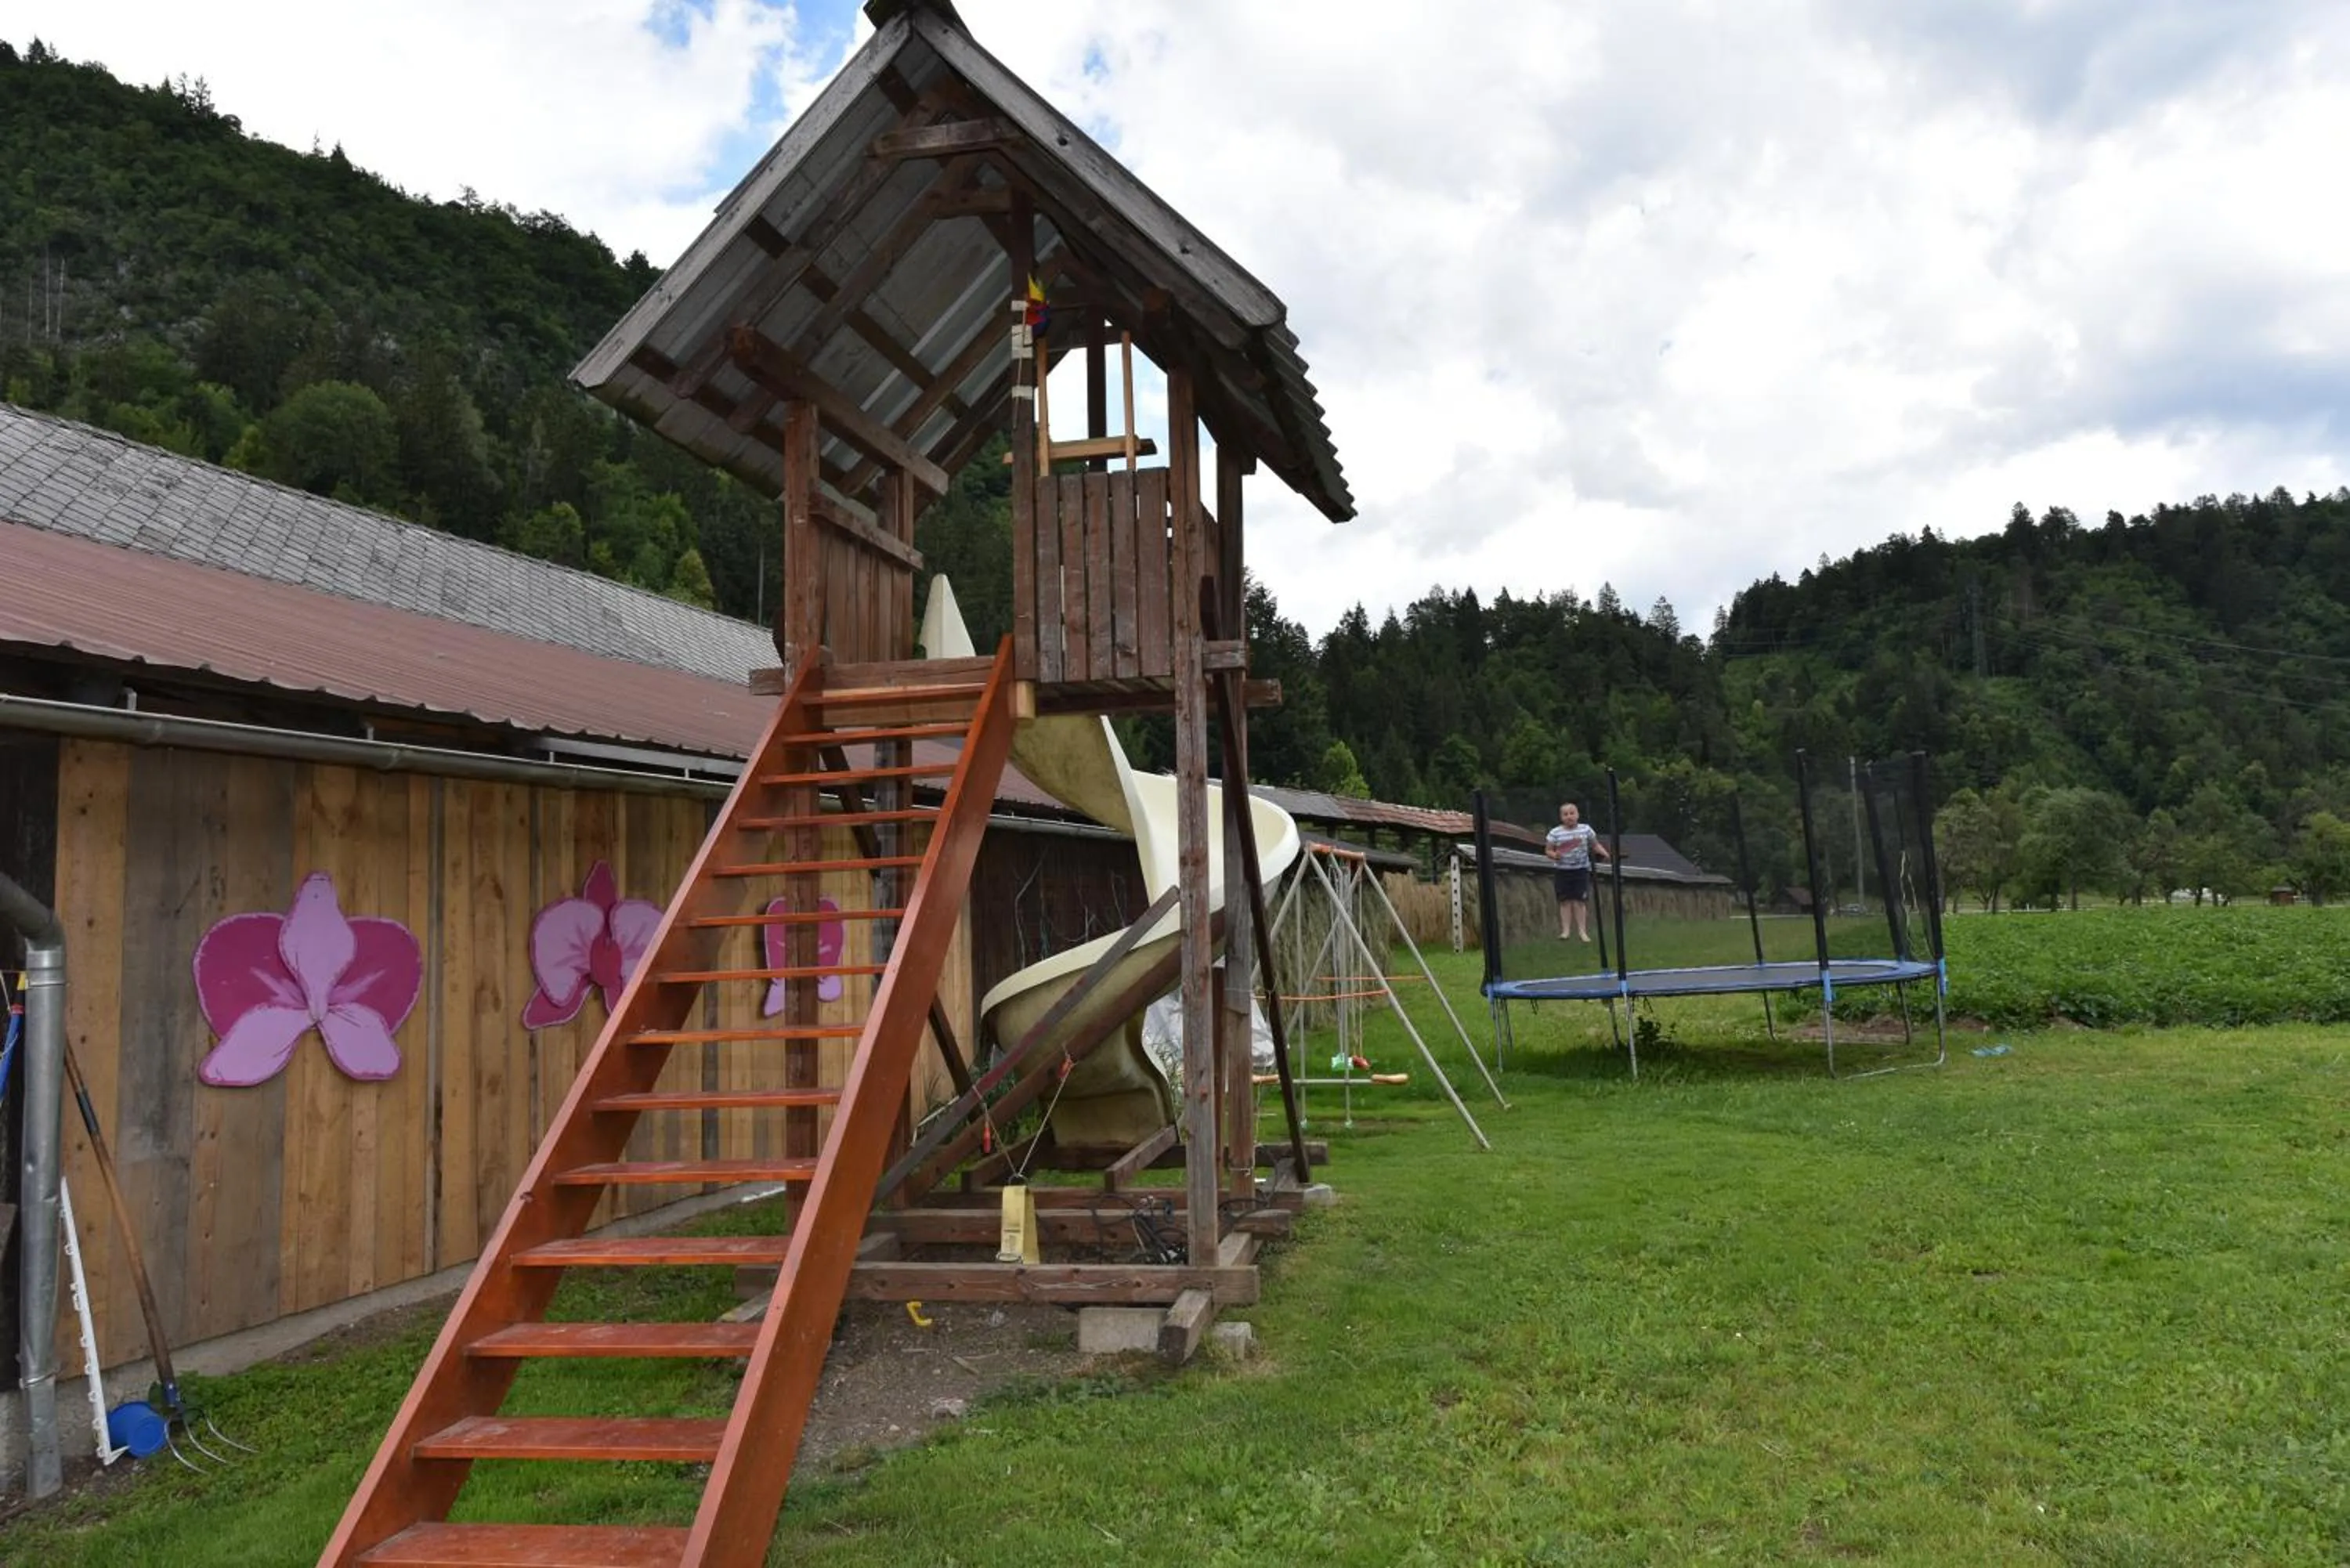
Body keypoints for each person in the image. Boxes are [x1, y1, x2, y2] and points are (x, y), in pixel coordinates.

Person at [1546, 801, 1611, 940]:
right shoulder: (1555, 833)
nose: (1569, 816)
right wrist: (1554, 855)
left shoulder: (1586, 830)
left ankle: (1582, 931)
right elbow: (1548, 850)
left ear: (1577, 815)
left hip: (1580, 870)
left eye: (1572, 813)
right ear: (1561, 817)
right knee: (1565, 901)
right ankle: (1566, 931)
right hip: (1563, 871)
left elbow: (1595, 845)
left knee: (1579, 901)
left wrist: (1605, 854)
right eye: (1565, 814)